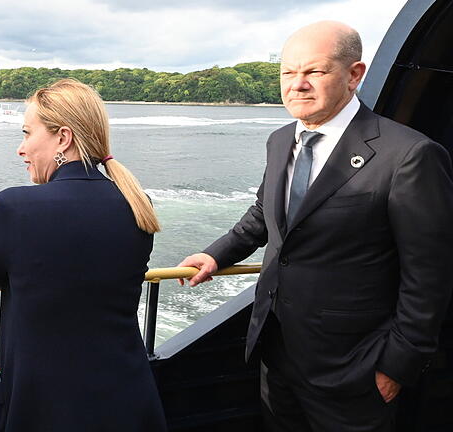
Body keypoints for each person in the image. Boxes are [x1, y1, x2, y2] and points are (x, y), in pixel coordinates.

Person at [177, 21, 453, 431]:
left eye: (315, 72)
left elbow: (429, 275)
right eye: (288, 73)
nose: (298, 85)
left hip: (355, 366)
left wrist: (397, 365)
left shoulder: (408, 155)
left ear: (354, 75)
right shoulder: (280, 140)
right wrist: (216, 254)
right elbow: (264, 214)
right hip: (277, 353)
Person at [0, 79, 167, 431]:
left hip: (44, 406)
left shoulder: (15, 207)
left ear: (63, 138)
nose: (21, 149)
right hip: (128, 396)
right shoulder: (136, 204)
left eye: (27, 133)